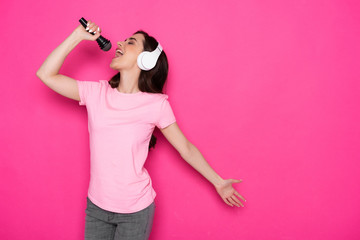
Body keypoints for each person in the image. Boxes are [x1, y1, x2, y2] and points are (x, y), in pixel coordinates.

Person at [36, 20, 246, 240]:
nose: (119, 43)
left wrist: (219, 182)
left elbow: (186, 148)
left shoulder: (156, 105)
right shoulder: (97, 92)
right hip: (96, 207)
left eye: (131, 42)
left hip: (135, 211)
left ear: (146, 59)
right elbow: (46, 74)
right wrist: (77, 36)